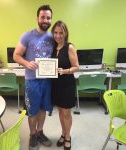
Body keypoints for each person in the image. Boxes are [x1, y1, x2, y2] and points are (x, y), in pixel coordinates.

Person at [13, 5, 54, 150]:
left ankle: (40, 132)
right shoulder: (27, 36)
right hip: (32, 80)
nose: (45, 20)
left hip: (47, 80)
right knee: (33, 111)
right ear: (37, 18)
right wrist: (26, 63)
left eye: (48, 18)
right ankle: (32, 135)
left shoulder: (53, 37)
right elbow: (16, 55)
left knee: (43, 109)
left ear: (51, 20)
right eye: (42, 17)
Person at [51, 20, 79, 150]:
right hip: (56, 85)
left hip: (67, 84)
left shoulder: (70, 47)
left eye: (61, 33)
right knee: (61, 112)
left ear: (65, 33)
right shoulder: (53, 47)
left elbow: (76, 67)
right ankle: (63, 133)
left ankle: (68, 137)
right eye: (55, 32)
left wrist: (65, 71)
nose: (58, 35)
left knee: (66, 113)